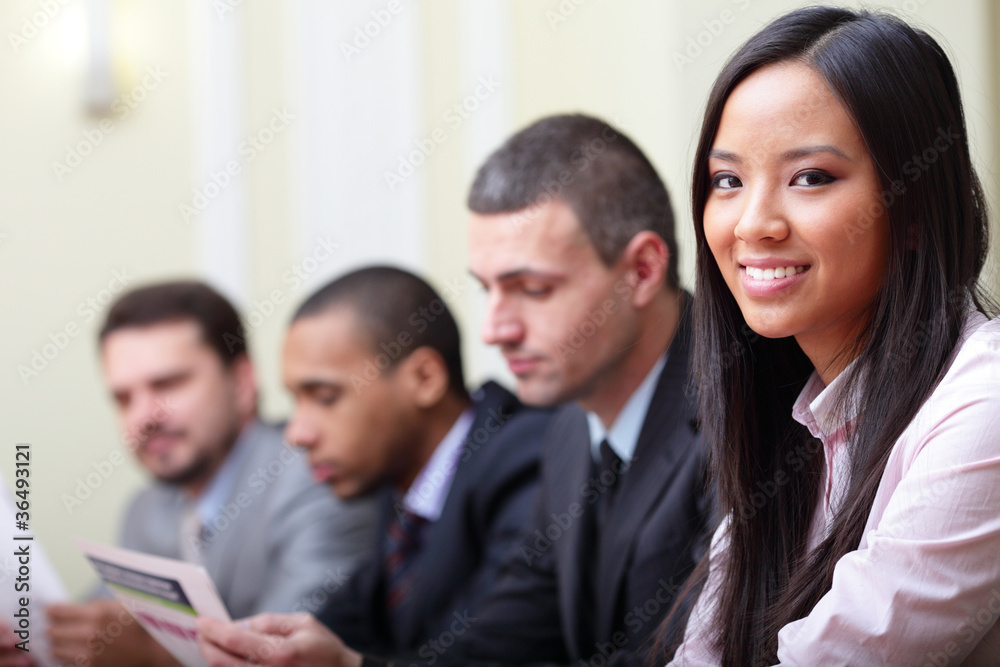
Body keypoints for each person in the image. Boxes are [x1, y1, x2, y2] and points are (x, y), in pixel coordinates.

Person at [198, 114, 713, 666]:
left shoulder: (746, 409)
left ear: (640, 271)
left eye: (533, 289)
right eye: (488, 290)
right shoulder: (569, 430)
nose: (495, 330)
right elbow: (499, 645)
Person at [664, 7, 1000, 666]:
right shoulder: (803, 423)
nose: (752, 223)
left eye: (810, 177)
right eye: (727, 180)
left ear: (913, 207)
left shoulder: (984, 403)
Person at [198, 266, 552, 663]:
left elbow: (494, 656)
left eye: (325, 397)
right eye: (296, 400)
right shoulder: (400, 489)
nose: (297, 433)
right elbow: (345, 622)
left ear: (424, 378)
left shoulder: (529, 462)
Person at [44, 281, 379, 667]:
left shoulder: (315, 476)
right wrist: (39, 639)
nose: (142, 417)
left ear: (241, 384)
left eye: (167, 385)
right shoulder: (145, 509)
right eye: (123, 398)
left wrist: (155, 656)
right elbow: (98, 628)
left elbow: (289, 657)